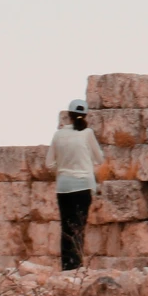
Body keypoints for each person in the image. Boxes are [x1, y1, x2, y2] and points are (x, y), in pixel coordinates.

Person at [52, 97, 102, 271]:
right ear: (85, 115)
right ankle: (77, 265)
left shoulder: (59, 134)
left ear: (70, 116)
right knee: (78, 225)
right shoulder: (87, 134)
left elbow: (49, 162)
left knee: (65, 226)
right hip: (82, 186)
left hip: (63, 187)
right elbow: (100, 158)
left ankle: (66, 266)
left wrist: (63, 167)